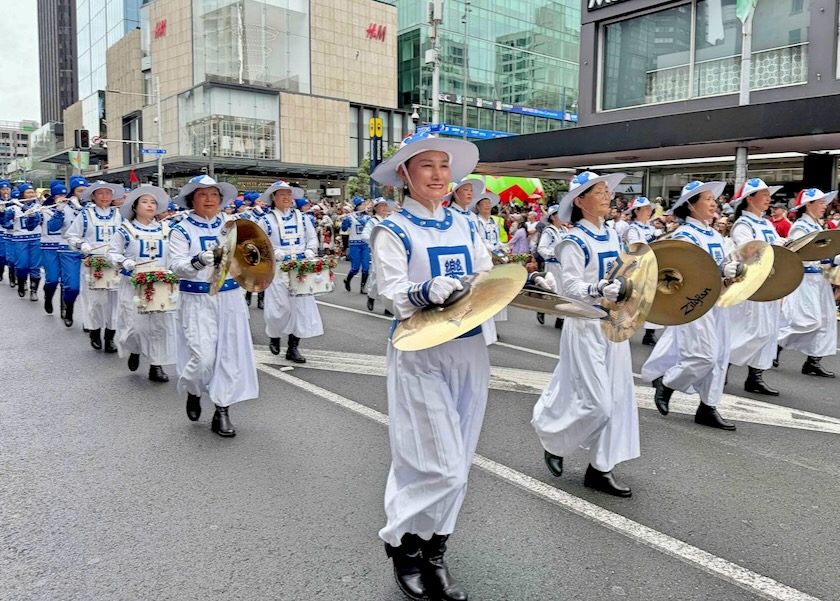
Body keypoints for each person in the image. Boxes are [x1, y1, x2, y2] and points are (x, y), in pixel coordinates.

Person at [370, 132, 493, 601]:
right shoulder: (392, 229)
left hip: (468, 348)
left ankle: (436, 548)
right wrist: (423, 291)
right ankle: (403, 544)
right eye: (427, 166)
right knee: (435, 462)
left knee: (458, 457)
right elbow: (393, 290)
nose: (439, 175)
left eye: (444, 166)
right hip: (419, 351)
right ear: (405, 174)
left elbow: (484, 277)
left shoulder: (466, 224)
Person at [532, 171, 639, 498]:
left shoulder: (612, 234)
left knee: (618, 399)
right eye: (601, 192)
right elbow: (570, 286)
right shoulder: (572, 240)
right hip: (585, 325)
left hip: (614, 322)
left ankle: (600, 468)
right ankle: (554, 439)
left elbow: (627, 271)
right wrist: (597, 288)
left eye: (608, 191)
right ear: (580, 201)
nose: (608, 196)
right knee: (598, 403)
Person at [642, 181, 742, 431]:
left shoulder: (714, 234)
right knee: (703, 356)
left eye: (713, 198)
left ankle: (708, 406)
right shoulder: (685, 235)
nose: (713, 203)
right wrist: (720, 271)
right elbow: (685, 271)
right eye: (707, 199)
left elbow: (721, 266)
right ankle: (667, 382)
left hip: (718, 300)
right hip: (693, 302)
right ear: (690, 205)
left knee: (719, 356)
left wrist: (733, 272)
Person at [167, 176, 259, 437]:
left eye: (214, 195)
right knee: (203, 358)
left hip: (230, 298)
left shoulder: (233, 227)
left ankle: (222, 410)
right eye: (202, 195)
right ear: (191, 199)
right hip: (197, 299)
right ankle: (194, 390)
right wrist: (198, 260)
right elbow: (176, 267)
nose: (209, 200)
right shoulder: (181, 229)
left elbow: (250, 256)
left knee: (229, 356)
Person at [106, 185, 176, 383]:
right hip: (134, 285)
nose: (150, 205)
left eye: (153, 202)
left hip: (161, 285)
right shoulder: (125, 230)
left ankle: (156, 365)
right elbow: (112, 253)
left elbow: (174, 254)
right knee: (135, 327)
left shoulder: (167, 229)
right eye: (145, 202)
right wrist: (123, 262)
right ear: (135, 207)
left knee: (159, 327)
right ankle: (135, 349)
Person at [727, 178, 784, 395]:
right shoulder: (744, 224)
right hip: (751, 284)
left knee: (768, 331)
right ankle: (722, 366)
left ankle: (755, 377)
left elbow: (777, 243)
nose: (769, 198)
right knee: (748, 330)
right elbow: (748, 251)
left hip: (768, 282)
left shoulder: (766, 223)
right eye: (764, 194)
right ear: (749, 198)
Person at [258, 180, 323, 364]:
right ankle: (275, 334)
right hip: (278, 269)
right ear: (273, 197)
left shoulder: (303, 217)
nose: (286, 197)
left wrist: (310, 251)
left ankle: (293, 347)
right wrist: (276, 253)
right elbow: (261, 244)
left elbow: (311, 238)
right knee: (279, 308)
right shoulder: (265, 220)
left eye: (289, 194)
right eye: (282, 194)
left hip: (301, 268)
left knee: (300, 308)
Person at [777, 188, 839, 378]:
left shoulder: (817, 226)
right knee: (806, 320)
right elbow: (798, 254)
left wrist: (834, 259)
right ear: (808, 205)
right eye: (820, 202)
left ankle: (813, 361)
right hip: (806, 279)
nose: (824, 206)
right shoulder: (800, 228)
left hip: (820, 278)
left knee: (826, 321)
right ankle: (776, 343)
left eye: (824, 202)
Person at [64, 181, 125, 351]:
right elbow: (71, 235)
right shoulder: (85, 214)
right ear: (93, 196)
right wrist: (81, 244)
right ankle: (95, 331)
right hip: (94, 263)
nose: (105, 197)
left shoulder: (119, 215)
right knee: (96, 301)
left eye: (108, 193)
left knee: (115, 301)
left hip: (114, 263)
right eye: (100, 193)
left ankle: (110, 337)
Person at [623, 196, 661, 346]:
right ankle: (623, 325)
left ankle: (649, 333)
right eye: (645, 208)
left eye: (649, 208)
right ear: (636, 210)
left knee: (650, 299)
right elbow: (636, 247)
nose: (648, 211)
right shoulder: (632, 228)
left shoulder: (651, 227)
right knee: (632, 299)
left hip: (651, 266)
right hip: (635, 268)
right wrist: (653, 239)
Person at [56, 176, 88, 327]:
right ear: (73, 192)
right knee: (73, 287)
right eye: (79, 191)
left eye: (85, 191)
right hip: (69, 251)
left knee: (92, 289)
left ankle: (90, 320)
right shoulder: (65, 207)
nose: (82, 194)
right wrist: (58, 210)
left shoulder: (92, 208)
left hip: (90, 252)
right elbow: (52, 227)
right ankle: (68, 308)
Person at [36, 181, 70, 314]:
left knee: (66, 279)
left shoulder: (71, 210)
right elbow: (31, 225)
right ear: (53, 198)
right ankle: (48, 297)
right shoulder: (44, 211)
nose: (62, 198)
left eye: (64, 195)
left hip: (66, 248)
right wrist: (33, 216)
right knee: (52, 278)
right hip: (49, 247)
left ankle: (64, 307)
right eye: (58, 197)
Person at [6, 183, 43, 301]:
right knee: (22, 265)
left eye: (32, 192)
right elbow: (4, 221)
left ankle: (34, 290)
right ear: (23, 194)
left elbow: (38, 219)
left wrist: (26, 209)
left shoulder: (38, 206)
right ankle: (21, 283)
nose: (31, 194)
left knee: (35, 266)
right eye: (28, 192)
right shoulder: (14, 208)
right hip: (20, 239)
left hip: (36, 239)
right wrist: (2, 212)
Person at [535, 204, 567, 328]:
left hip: (563, 265)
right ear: (553, 217)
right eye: (559, 214)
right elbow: (541, 248)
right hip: (553, 264)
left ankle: (560, 318)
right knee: (553, 290)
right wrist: (553, 254)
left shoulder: (564, 230)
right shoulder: (549, 231)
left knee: (563, 290)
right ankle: (542, 309)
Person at [364, 197, 395, 313]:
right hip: (378, 253)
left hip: (391, 252)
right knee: (377, 278)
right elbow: (364, 236)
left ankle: (388, 306)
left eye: (385, 206)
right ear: (376, 209)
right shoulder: (372, 222)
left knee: (391, 278)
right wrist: (377, 242)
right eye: (381, 206)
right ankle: (371, 296)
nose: (384, 208)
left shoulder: (391, 220)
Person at [342, 197, 371, 292]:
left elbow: (367, 226)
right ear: (357, 207)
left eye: (364, 205)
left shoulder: (367, 217)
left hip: (365, 244)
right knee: (355, 268)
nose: (363, 206)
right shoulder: (351, 217)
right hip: (354, 244)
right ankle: (347, 280)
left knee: (366, 267)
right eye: (361, 205)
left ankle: (362, 287)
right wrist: (345, 221)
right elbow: (344, 229)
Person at [0, 179, 12, 283]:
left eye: (7, 189)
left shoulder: (15, 201)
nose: (5, 191)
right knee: (1, 255)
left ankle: (13, 274)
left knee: (12, 257)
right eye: (3, 189)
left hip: (12, 232)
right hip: (1, 231)